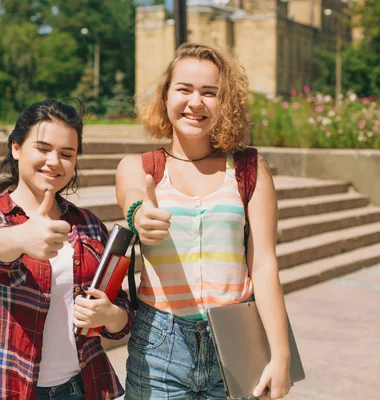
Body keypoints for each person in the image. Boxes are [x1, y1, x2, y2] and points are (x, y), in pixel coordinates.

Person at [115, 43, 292, 400]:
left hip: (238, 337)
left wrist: (281, 353)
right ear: (165, 95)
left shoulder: (249, 168)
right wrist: (141, 215)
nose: (195, 102)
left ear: (224, 103)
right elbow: (134, 201)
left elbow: (264, 264)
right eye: (184, 89)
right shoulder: (139, 167)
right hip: (160, 344)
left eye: (209, 93)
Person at [0, 99, 133, 400]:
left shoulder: (89, 225)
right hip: (5, 387)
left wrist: (109, 314)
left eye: (66, 154)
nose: (54, 161)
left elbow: (121, 314)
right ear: (16, 147)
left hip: (80, 387)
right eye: (42, 149)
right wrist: (22, 238)